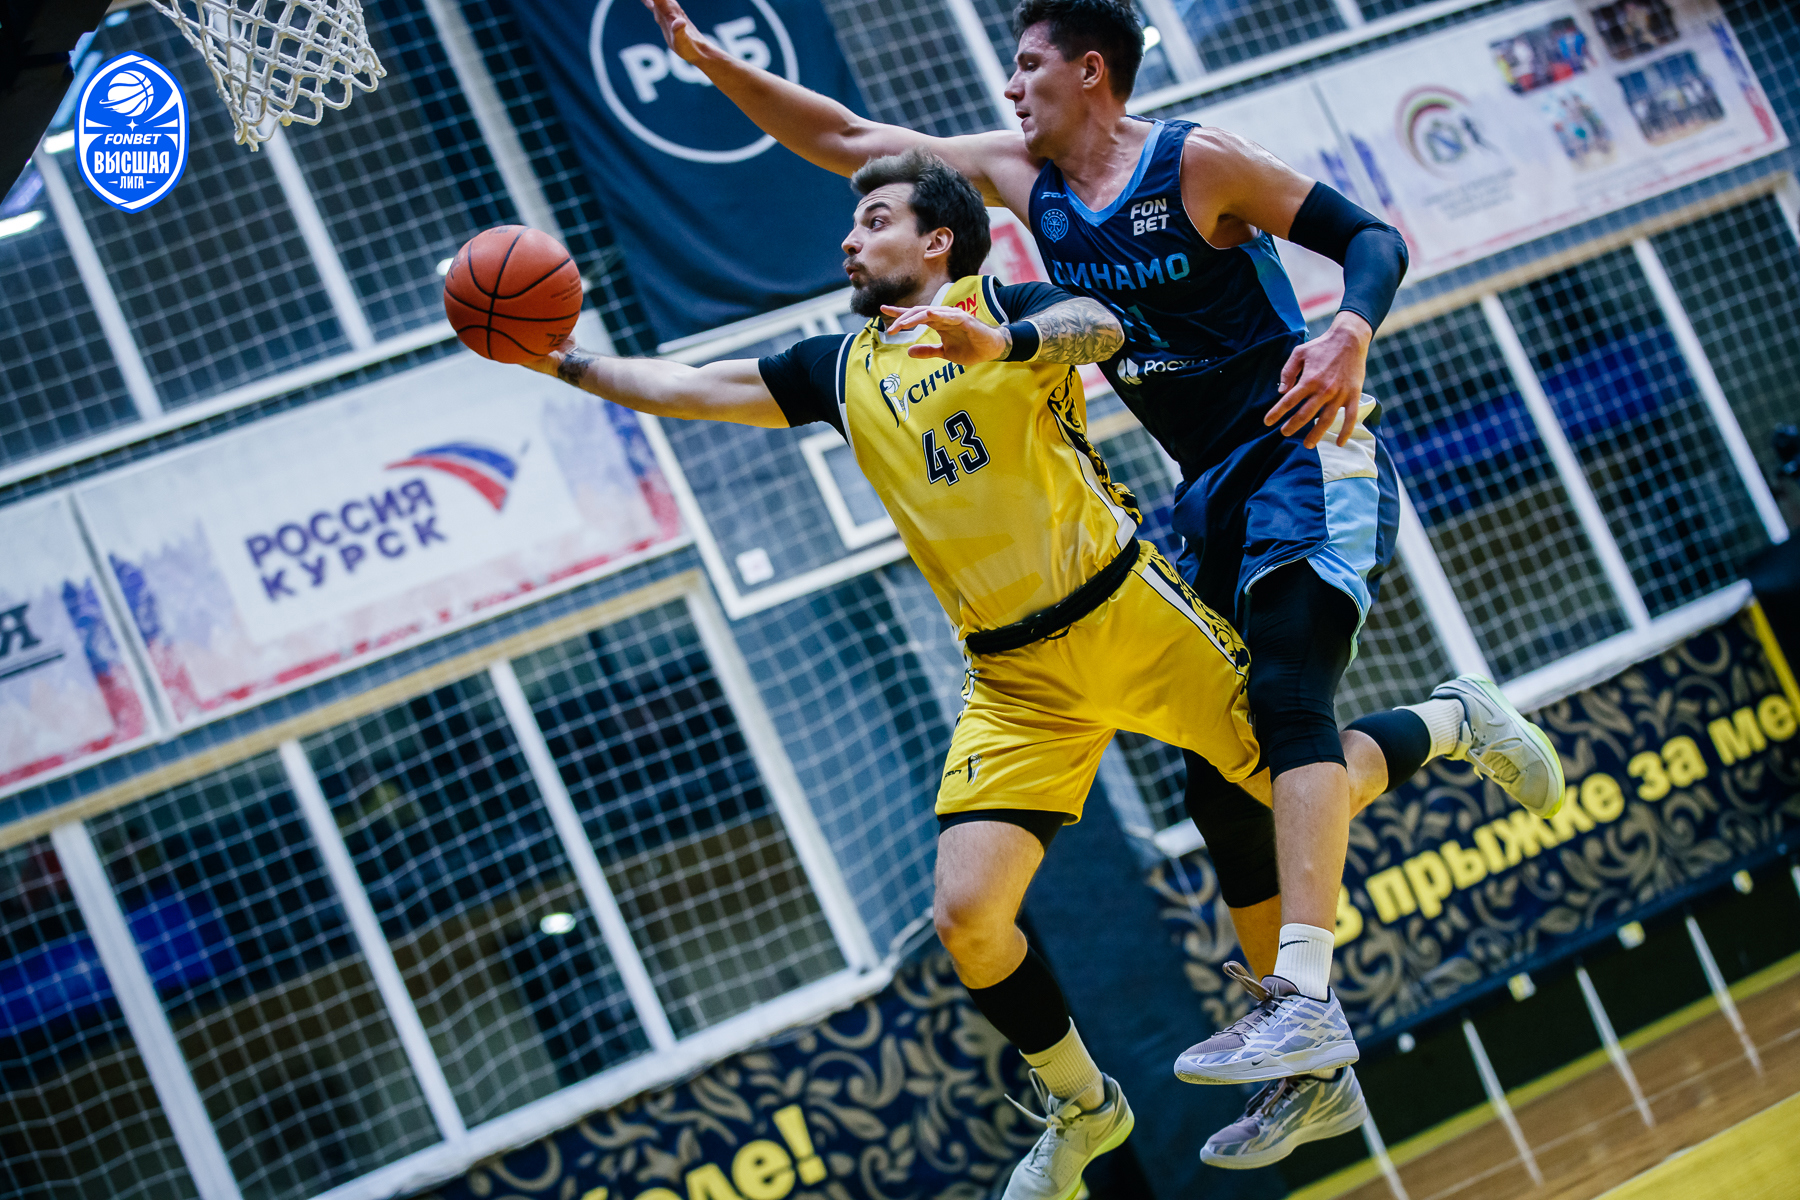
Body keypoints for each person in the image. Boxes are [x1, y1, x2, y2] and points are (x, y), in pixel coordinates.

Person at [642, 0, 1565, 1169]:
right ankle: (1434, 767)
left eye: (1026, 63)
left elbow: (1370, 237)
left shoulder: (1200, 163)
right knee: (1226, 795)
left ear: (1090, 71)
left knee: (1287, 696)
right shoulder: (1023, 179)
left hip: (1302, 445)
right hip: (1207, 490)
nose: (1009, 85)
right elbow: (842, 136)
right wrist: (708, 62)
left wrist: (1351, 330)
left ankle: (1304, 997)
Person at [521, 150, 1428, 1197]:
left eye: (874, 219)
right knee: (968, 917)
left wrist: (1009, 340)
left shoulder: (1008, 305)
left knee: (1292, 784)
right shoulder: (838, 368)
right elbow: (691, 385)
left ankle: (1450, 720)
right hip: (1013, 679)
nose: (850, 239)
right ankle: (1085, 1106)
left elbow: (1103, 324)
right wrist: (567, 361)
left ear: (938, 238)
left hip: (1124, 614)